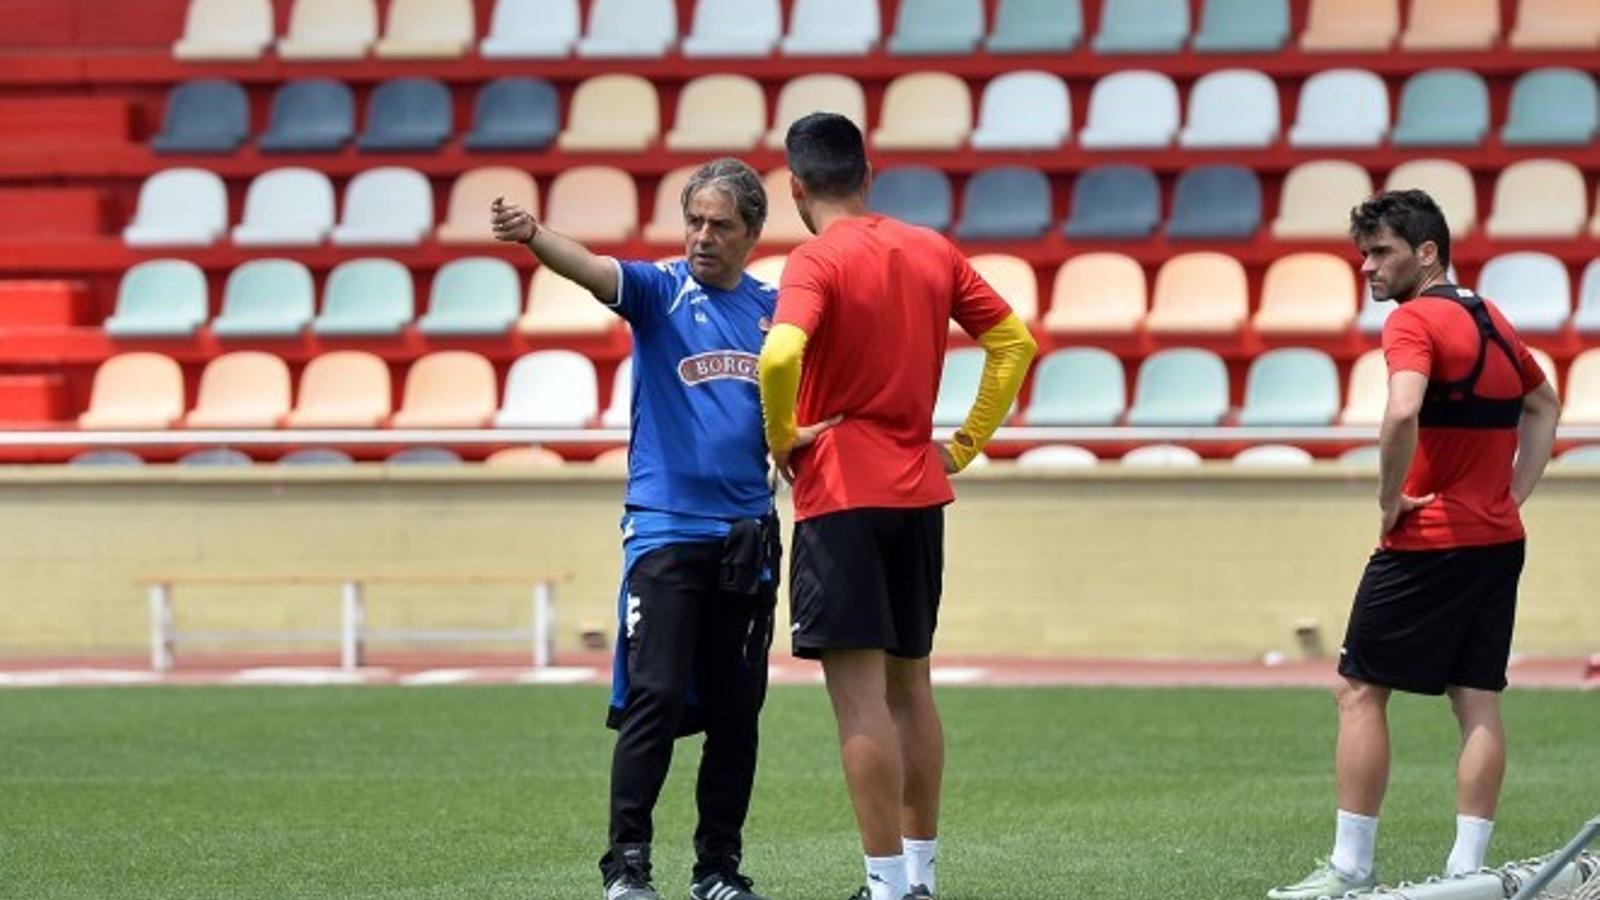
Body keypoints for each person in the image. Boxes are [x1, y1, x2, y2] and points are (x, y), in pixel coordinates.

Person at [493, 158, 798, 900]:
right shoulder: (662, 291)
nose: (702, 236)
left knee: (737, 712)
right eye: (694, 220)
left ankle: (717, 869)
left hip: (746, 538)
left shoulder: (773, 311)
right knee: (654, 698)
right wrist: (534, 235)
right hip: (664, 532)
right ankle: (626, 864)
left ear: (752, 233)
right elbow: (595, 271)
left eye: (720, 224)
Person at [757, 113, 1038, 900]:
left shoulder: (815, 258)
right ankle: (920, 877)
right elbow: (1014, 343)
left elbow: (780, 352)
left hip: (841, 491)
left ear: (797, 187)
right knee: (912, 688)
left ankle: (884, 886)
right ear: (869, 175)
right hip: (919, 489)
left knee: (858, 700)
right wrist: (965, 442)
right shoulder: (930, 248)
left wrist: (781, 434)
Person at [1269, 189, 1562, 900]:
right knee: (1478, 701)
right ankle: (1469, 875)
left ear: (1426, 253)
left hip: (1427, 540)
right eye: (1364, 253)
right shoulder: (1491, 316)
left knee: (1361, 690)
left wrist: (1388, 499)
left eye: (1382, 253)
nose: (1368, 267)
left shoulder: (1412, 322)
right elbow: (1544, 400)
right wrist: (1513, 494)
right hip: (1497, 539)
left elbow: (1402, 410)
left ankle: (1350, 868)